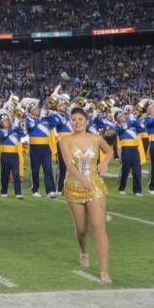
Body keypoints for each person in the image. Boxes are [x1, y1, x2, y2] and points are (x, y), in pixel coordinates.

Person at [59, 107, 113, 284]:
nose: (77, 122)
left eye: (80, 119)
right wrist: (83, 180)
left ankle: (104, 271)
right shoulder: (64, 140)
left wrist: (104, 163)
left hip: (95, 187)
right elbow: (69, 165)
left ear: (86, 120)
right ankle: (83, 250)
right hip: (74, 187)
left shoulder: (95, 138)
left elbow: (110, 150)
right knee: (82, 229)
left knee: (99, 226)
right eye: (73, 119)